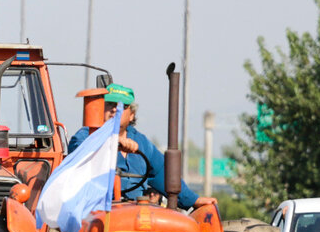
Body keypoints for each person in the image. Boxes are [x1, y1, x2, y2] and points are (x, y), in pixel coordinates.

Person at [67, 83, 216, 210]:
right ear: (101, 109)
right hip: (97, 209)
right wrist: (114, 143)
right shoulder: (87, 134)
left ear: (131, 114)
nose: (114, 110)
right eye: (110, 104)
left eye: (121, 106)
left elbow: (163, 173)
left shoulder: (141, 142)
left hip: (136, 211)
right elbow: (79, 151)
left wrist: (193, 200)